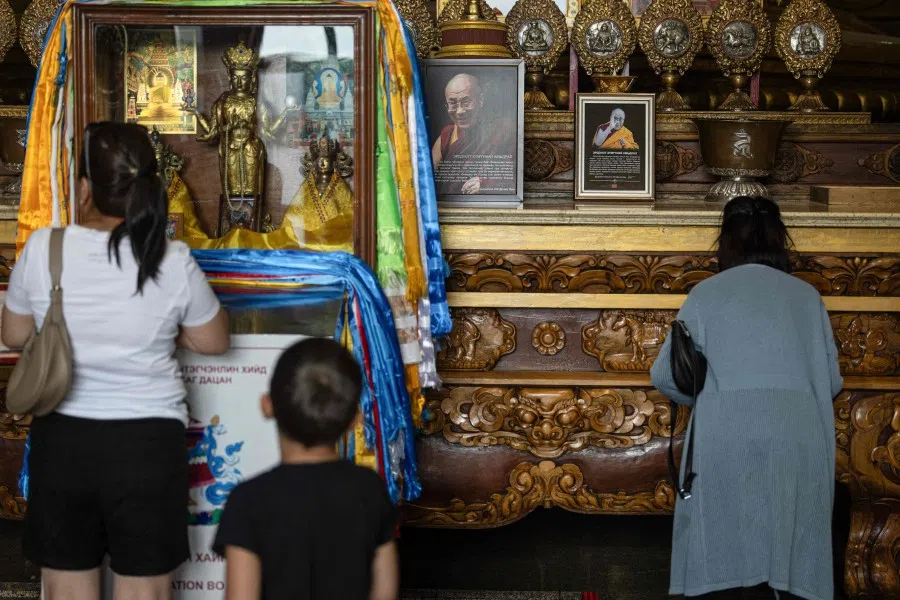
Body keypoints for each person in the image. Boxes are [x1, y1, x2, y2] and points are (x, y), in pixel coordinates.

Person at [2, 121, 230, 600]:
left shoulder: (45, 247)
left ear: (85, 186)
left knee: (66, 590)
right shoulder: (170, 258)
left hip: (63, 441)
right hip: (147, 447)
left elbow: (16, 334)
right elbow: (213, 341)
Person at [651, 196, 842, 600]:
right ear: (779, 240)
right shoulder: (807, 297)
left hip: (727, 438)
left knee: (724, 568)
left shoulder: (705, 294)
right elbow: (832, 382)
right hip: (799, 438)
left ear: (725, 241)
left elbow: (666, 375)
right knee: (791, 563)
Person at [213, 338, 399, 600]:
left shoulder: (247, 500)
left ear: (267, 405)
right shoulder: (370, 489)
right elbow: (385, 592)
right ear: (355, 420)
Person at [431, 73, 516, 195]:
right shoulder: (448, 134)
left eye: (466, 102)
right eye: (453, 103)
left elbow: (516, 175)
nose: (460, 111)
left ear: (480, 100)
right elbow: (427, 176)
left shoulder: (505, 129)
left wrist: (486, 184)